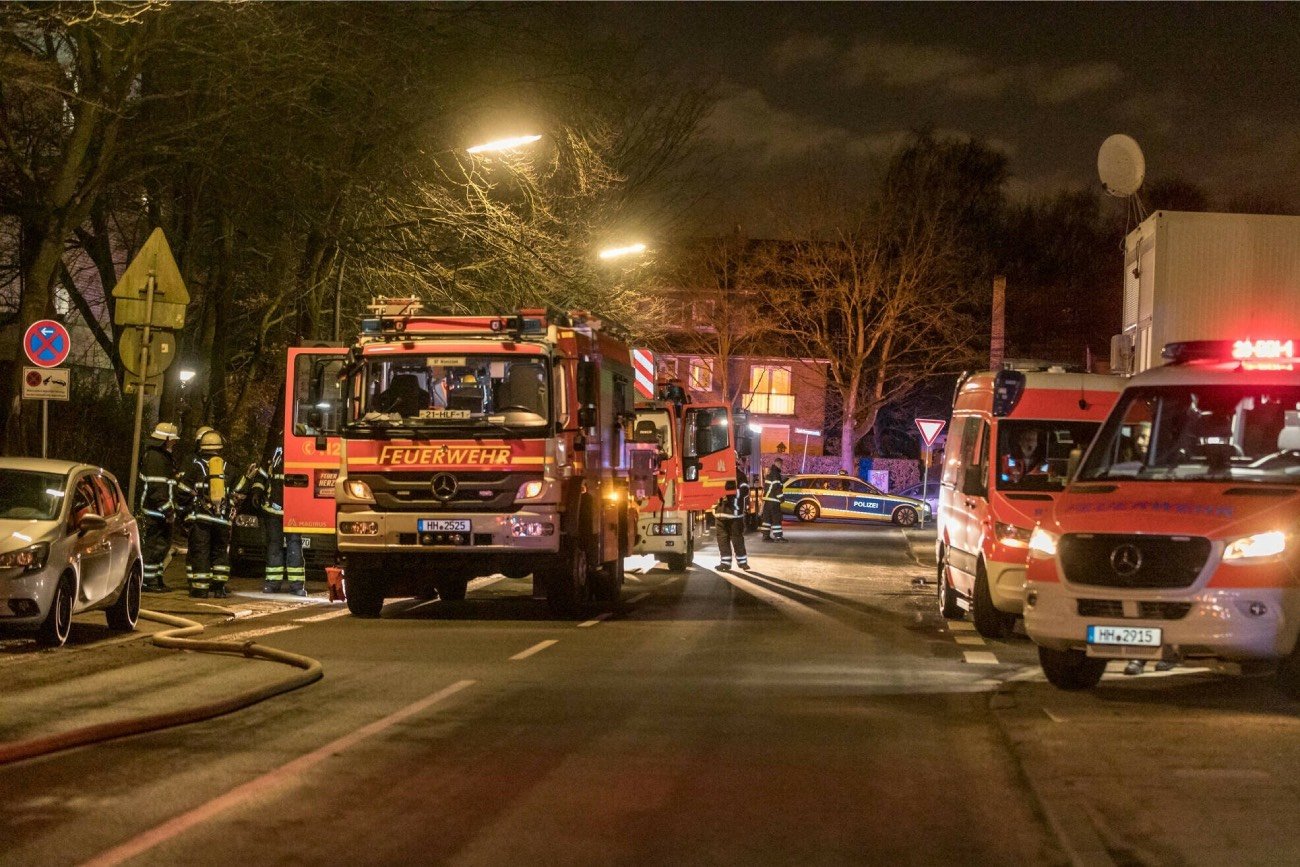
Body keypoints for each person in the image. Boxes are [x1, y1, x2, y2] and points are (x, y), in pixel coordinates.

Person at [238, 446, 307, 596]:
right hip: (273, 510)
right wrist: (257, 491)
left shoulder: (302, 451)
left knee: (294, 545)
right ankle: (272, 583)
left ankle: (296, 586)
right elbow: (262, 475)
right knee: (274, 545)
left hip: (293, 510)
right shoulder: (275, 452)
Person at [177, 429, 233, 598]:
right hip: (222, 519)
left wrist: (184, 511)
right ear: (220, 448)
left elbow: (182, 490)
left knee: (201, 552)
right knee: (220, 552)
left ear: (202, 447)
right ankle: (219, 588)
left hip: (202, 518)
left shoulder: (197, 466)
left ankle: (201, 589)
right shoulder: (228, 468)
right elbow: (238, 491)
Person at [137, 422, 180, 592]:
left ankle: (156, 578)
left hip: (159, 510)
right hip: (156, 512)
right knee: (154, 547)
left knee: (162, 547)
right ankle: (148, 581)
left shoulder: (159, 456)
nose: (175, 443)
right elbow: (157, 489)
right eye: (173, 440)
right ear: (167, 439)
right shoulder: (156, 458)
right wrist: (167, 509)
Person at [714, 458, 750, 572]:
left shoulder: (740, 476)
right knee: (722, 540)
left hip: (734, 514)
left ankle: (742, 562)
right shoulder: (718, 475)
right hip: (721, 513)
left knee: (737, 539)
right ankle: (725, 563)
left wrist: (731, 493)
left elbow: (745, 491)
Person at [759, 458, 787, 542]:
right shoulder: (776, 474)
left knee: (767, 519)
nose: (781, 466)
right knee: (776, 518)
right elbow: (777, 487)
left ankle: (765, 536)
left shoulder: (770, 473)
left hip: (767, 500)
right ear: (778, 464)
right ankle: (778, 537)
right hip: (774, 500)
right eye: (781, 464)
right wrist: (781, 498)